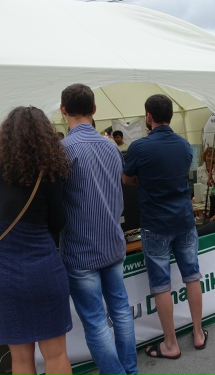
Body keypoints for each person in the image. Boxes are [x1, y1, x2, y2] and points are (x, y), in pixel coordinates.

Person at [0, 106, 72, 375]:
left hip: (2, 274)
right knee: (56, 354)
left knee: (20, 360)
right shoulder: (50, 171)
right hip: (44, 269)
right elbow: (57, 223)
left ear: (4, 135)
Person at [59, 84, 137, 375]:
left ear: (63, 110)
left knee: (95, 320)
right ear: (94, 109)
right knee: (121, 311)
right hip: (112, 242)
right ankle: (129, 370)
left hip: (80, 250)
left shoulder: (64, 151)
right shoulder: (111, 147)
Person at [122, 94, 207, 359]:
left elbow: (126, 179)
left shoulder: (139, 147)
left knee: (161, 284)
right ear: (170, 115)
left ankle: (171, 343)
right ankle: (198, 333)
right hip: (184, 219)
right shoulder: (184, 145)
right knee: (192, 276)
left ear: (148, 116)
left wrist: (145, 181)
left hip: (155, 223)